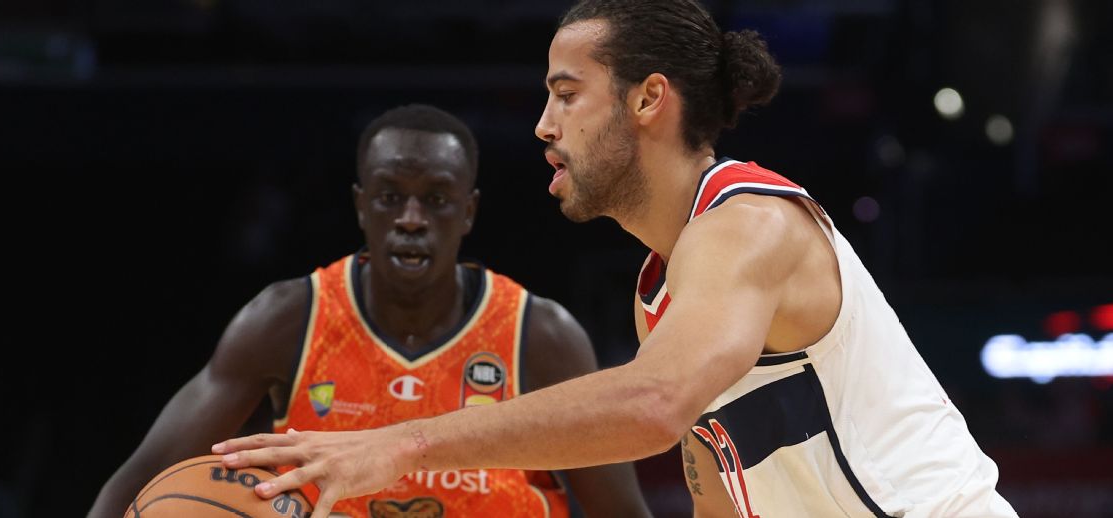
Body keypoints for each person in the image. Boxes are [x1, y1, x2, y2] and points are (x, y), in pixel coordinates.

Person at [213, 2, 1020, 517]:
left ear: (647, 99)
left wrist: (401, 444)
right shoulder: (662, 290)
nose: (542, 124)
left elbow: (652, 403)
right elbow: (722, 502)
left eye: (566, 93)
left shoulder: (750, 224)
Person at [88, 104, 652, 518]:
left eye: (435, 199)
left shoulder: (539, 335)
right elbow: (137, 482)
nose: (411, 218)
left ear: (468, 211)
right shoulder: (287, 318)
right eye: (389, 197)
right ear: (362, 207)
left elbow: (621, 512)